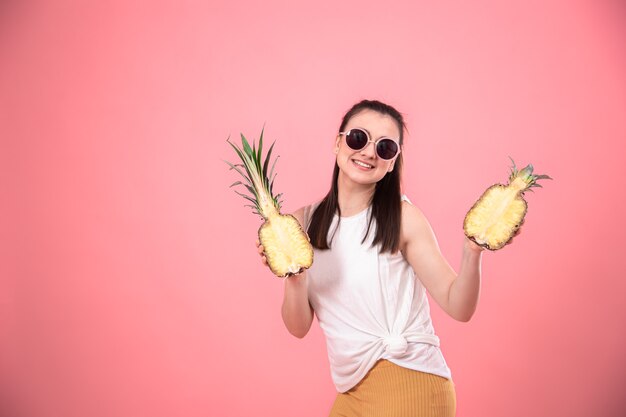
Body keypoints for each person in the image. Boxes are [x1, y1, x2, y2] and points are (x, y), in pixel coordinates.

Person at [256, 99, 511, 417]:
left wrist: (472, 252)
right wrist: (295, 277)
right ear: (338, 143)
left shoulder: (403, 218)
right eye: (358, 138)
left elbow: (458, 305)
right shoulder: (302, 223)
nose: (368, 152)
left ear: (392, 162)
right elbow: (298, 327)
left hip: (411, 381)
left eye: (385, 147)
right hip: (351, 391)